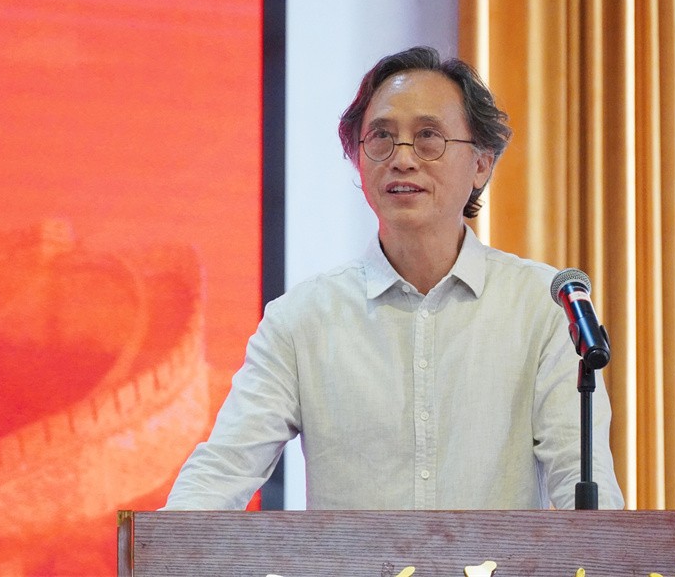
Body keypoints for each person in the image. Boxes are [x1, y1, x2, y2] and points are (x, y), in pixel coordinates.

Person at [163, 46, 624, 510]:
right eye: (381, 137)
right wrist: (155, 542)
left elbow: (584, 484)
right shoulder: (300, 320)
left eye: (428, 137)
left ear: (481, 164)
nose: (402, 159)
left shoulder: (542, 307)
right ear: (358, 160)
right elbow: (223, 471)